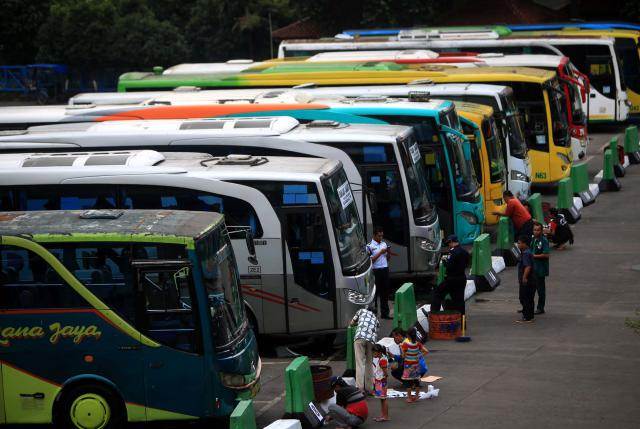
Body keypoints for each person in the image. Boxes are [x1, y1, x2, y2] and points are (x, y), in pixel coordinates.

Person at [430, 235, 470, 315]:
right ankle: (462, 321)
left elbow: (450, 266)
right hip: (462, 279)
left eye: (449, 243)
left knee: (438, 293)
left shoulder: (453, 252)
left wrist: (445, 262)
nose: (448, 245)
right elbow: (467, 263)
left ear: (451, 242)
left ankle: (434, 313)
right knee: (460, 301)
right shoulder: (465, 252)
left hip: (451, 280)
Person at [349, 307, 379, 393]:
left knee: (360, 363)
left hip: (360, 338)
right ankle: (369, 388)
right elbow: (376, 333)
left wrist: (357, 324)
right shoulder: (376, 320)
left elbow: (351, 323)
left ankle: (360, 388)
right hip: (371, 340)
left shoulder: (362, 311)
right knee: (369, 363)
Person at [366, 227, 391, 319]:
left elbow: (387, 258)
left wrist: (388, 253)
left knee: (385, 292)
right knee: (375, 293)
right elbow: (370, 260)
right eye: (379, 236)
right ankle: (373, 314)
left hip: (385, 269)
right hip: (376, 270)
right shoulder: (369, 246)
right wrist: (380, 252)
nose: (381, 238)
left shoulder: (384, 244)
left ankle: (385, 313)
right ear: (374, 235)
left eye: (382, 236)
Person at [401, 328, 429, 403]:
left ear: (408, 336)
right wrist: (419, 356)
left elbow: (403, 356)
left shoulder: (405, 344)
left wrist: (403, 350)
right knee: (416, 381)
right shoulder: (418, 344)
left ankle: (409, 398)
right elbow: (426, 351)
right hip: (416, 365)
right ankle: (416, 397)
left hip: (408, 366)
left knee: (408, 382)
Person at [516, 235, 536, 323]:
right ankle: (530, 315)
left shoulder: (526, 254)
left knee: (524, 297)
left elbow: (527, 266)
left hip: (527, 280)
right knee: (529, 298)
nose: (518, 245)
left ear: (524, 244)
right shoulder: (527, 252)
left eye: (519, 243)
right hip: (531, 280)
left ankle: (527, 316)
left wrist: (524, 277)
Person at [531, 222, 550, 315]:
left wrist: (534, 256)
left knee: (540, 289)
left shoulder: (544, 241)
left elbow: (546, 254)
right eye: (534, 230)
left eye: (538, 230)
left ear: (541, 231)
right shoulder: (533, 239)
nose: (536, 232)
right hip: (533, 268)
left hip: (540, 269)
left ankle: (540, 307)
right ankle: (528, 307)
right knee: (531, 289)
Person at [372, 344, 390, 423]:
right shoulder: (382, 358)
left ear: (379, 352)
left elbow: (385, 372)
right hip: (380, 381)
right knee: (382, 399)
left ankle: (385, 416)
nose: (373, 354)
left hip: (381, 381)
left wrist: (385, 377)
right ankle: (383, 415)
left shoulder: (382, 360)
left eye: (374, 353)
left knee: (383, 399)